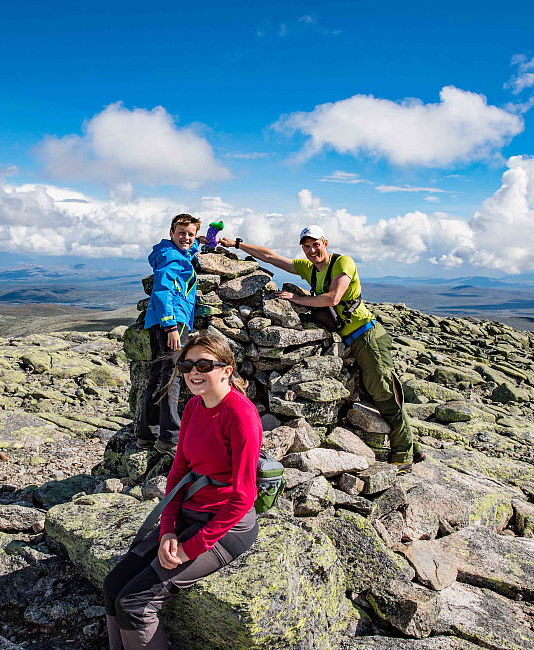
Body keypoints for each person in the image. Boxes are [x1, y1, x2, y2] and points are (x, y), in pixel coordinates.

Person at [103, 331, 262, 650]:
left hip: (226, 525)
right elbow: (179, 471)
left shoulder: (241, 416)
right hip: (189, 510)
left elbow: (243, 495)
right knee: (113, 586)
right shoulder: (193, 407)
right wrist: (167, 531)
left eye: (204, 365)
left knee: (135, 605)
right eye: (187, 366)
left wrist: (191, 548)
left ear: (226, 370)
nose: (193, 373)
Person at [218, 225, 423, 470]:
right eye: (306, 246)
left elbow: (333, 297)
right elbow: (272, 257)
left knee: (384, 392)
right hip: (352, 339)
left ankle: (403, 456)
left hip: (368, 336)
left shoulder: (342, 263)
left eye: (316, 244)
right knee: (374, 390)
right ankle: (413, 446)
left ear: (325, 242)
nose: (312, 250)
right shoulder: (310, 269)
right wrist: (238, 244)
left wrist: (297, 299)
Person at [138, 213, 202, 456]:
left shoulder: (167, 252)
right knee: (172, 377)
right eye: (181, 233)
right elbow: (163, 291)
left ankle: (148, 435)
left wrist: (199, 243)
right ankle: (170, 439)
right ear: (171, 233)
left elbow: (188, 247)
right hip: (173, 322)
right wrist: (171, 328)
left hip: (159, 321)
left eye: (190, 234)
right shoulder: (173, 259)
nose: (186, 238)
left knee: (158, 375)